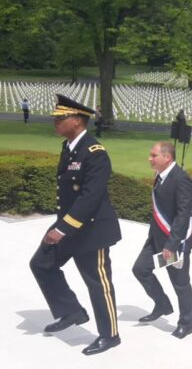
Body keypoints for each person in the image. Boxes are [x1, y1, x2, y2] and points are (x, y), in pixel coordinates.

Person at [30, 94, 121, 355]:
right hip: (69, 227)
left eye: (61, 118)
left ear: (78, 121)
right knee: (41, 264)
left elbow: (90, 197)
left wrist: (62, 228)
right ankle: (71, 311)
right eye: (56, 118)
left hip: (92, 230)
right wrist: (61, 227)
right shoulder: (69, 148)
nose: (55, 122)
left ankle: (110, 334)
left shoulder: (95, 152)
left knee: (98, 283)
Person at [132, 142, 192, 339]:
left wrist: (172, 244)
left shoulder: (181, 178)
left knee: (180, 283)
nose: (149, 159)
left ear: (167, 157)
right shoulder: (160, 177)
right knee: (140, 269)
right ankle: (162, 304)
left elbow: (182, 214)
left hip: (173, 243)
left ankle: (186, 322)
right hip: (156, 239)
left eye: (153, 155)